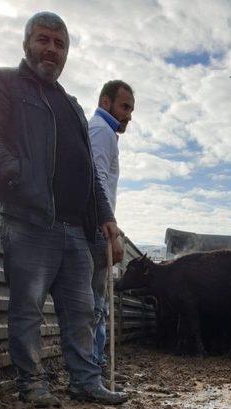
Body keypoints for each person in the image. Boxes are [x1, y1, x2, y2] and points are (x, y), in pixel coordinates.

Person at [0, 11, 127, 407]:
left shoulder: (72, 106)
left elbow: (89, 171)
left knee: (82, 312)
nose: (50, 50)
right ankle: (32, 385)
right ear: (26, 43)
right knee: (28, 309)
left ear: (66, 53)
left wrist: (106, 217)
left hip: (74, 228)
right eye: (43, 40)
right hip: (28, 219)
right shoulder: (1, 81)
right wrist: (14, 171)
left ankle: (84, 381)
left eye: (59, 44)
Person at [87, 81, 135, 369]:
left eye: (131, 109)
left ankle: (93, 366)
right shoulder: (101, 131)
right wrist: (110, 226)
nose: (128, 114)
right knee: (95, 303)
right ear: (106, 102)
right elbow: (97, 179)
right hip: (96, 228)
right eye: (124, 106)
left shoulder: (104, 132)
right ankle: (92, 368)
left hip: (97, 225)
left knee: (96, 302)